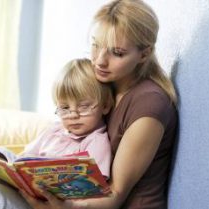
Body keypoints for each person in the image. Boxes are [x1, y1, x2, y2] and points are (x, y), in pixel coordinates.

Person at [21, 0, 178, 208]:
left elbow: (115, 194)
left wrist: (62, 207)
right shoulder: (105, 84)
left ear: (144, 53)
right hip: (76, 203)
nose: (99, 61)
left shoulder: (149, 105)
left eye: (117, 53)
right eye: (95, 45)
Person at [0, 58, 114, 208]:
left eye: (84, 107)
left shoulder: (96, 142)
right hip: (26, 192)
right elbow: (25, 158)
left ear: (105, 105)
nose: (73, 115)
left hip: (42, 205)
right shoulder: (55, 130)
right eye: (65, 108)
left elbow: (91, 191)